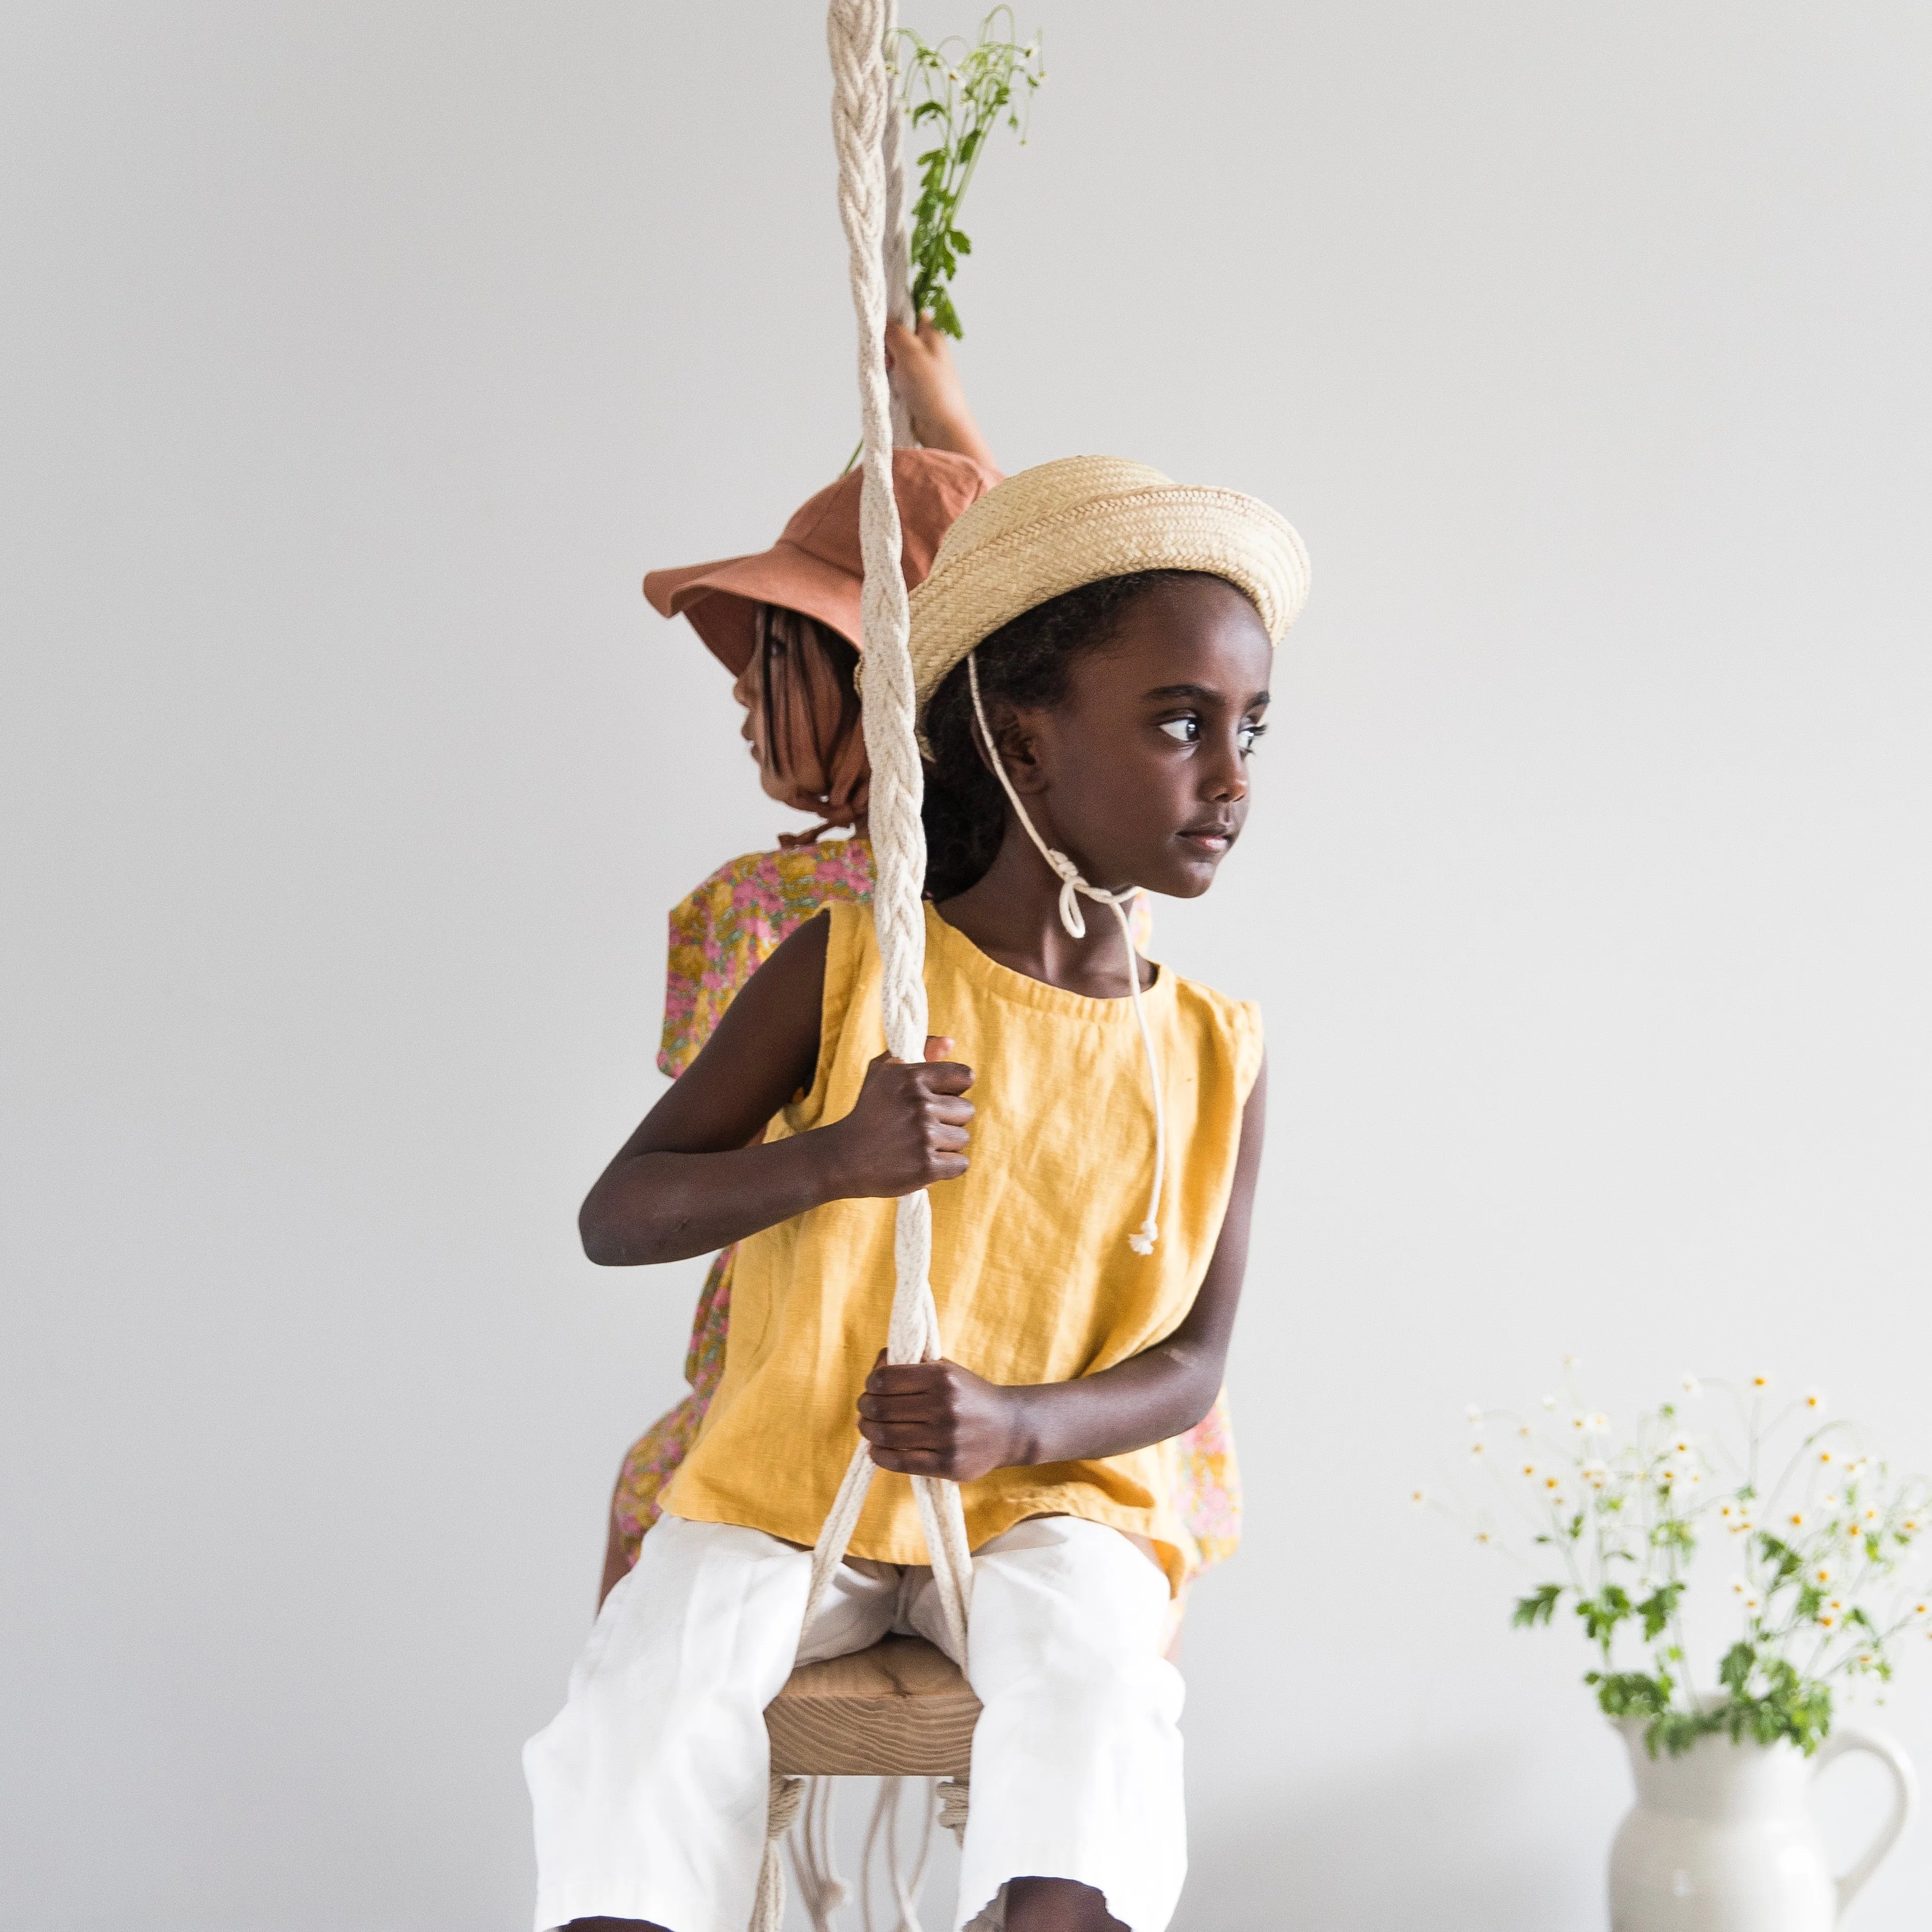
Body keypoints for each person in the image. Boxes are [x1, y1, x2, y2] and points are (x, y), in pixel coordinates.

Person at [527, 455, 1308, 1932]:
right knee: (646, 1703)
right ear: (1021, 732)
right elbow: (615, 1215)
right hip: (783, 1494)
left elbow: (1192, 1364)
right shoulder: (846, 971)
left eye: (1249, 727)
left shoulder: (1215, 1050)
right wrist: (832, 1158)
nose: (1230, 777)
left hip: (1047, 1503)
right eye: (1178, 723)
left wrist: (1017, 1423)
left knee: (1097, 1710)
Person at [601, 333, 1241, 1617]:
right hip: (1078, 1407)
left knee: (651, 1518)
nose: (740, 694)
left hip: (845, 1390)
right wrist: (944, 417)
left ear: (882, 685)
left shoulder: (791, 909)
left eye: (774, 650)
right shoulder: (1080, 916)